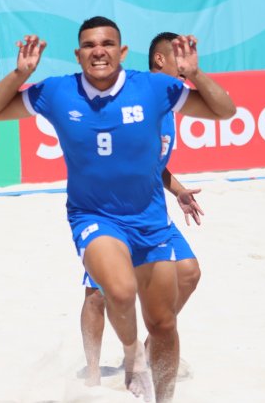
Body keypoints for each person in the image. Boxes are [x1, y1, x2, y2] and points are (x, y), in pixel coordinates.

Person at [0, 16, 235, 402]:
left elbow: (224, 110)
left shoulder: (153, 87)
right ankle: (131, 358)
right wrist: (19, 73)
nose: (99, 50)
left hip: (150, 222)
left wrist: (196, 74)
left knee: (164, 323)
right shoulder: (57, 92)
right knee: (116, 289)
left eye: (107, 43)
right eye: (90, 45)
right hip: (94, 217)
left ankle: (161, 396)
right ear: (78, 53)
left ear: (122, 51)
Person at [79, 31, 205, 387]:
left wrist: (177, 189)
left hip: (150, 210)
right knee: (97, 293)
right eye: (181, 66)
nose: (186, 74)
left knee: (190, 273)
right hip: (108, 210)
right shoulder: (133, 95)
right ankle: (92, 377)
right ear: (161, 61)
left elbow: (152, 164)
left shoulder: (170, 104)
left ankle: (150, 345)